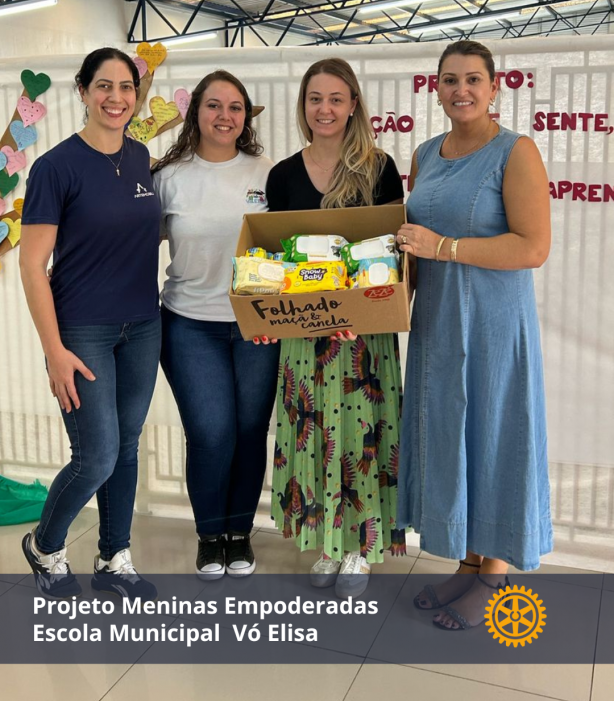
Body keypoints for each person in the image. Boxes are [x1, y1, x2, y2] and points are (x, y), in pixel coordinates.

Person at [396, 39, 552, 631]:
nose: (461, 90)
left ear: (493, 87)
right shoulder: (425, 154)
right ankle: (467, 564)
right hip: (437, 325)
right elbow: (413, 243)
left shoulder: (516, 151)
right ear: (435, 88)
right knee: (453, 438)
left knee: (494, 435)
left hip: (493, 326)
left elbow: (532, 247)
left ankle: (494, 574)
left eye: (472, 80)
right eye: (450, 80)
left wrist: (445, 248)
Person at [19, 48, 161, 601]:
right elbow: (33, 265)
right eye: (104, 86)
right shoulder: (55, 167)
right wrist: (54, 349)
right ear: (82, 91)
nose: (116, 98)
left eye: (126, 87)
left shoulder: (142, 156)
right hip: (82, 331)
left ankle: (113, 557)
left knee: (125, 447)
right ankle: (45, 546)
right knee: (96, 455)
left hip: (142, 325)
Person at [265, 58, 406, 599]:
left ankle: (358, 547)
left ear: (353, 106)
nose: (324, 109)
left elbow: (392, 257)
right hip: (304, 335)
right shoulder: (282, 175)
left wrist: (361, 312)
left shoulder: (379, 168)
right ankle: (326, 537)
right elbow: (274, 261)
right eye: (314, 98)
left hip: (364, 337)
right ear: (303, 105)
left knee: (361, 438)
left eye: (335, 98)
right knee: (315, 432)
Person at [152, 71, 278, 580]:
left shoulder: (267, 174)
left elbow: (285, 250)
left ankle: (238, 534)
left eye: (235, 107)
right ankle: (209, 536)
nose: (225, 116)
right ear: (195, 113)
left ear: (246, 116)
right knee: (210, 433)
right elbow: (133, 245)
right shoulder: (169, 177)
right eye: (214, 106)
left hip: (256, 326)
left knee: (249, 431)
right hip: (189, 324)